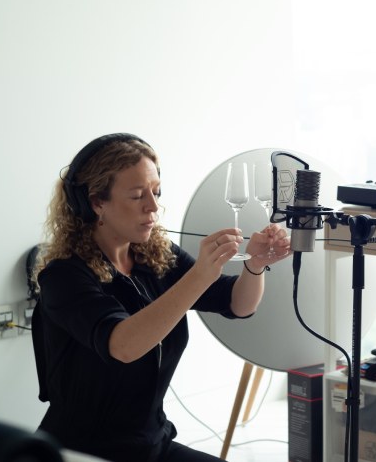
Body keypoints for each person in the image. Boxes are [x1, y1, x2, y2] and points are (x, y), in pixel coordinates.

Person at [30, 133, 292, 462]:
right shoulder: (63, 277)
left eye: (156, 192)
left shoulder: (156, 256)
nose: (153, 207)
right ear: (96, 202)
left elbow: (238, 304)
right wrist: (200, 275)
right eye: (137, 195)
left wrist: (255, 265)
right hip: (83, 452)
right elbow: (123, 346)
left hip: (150, 444)